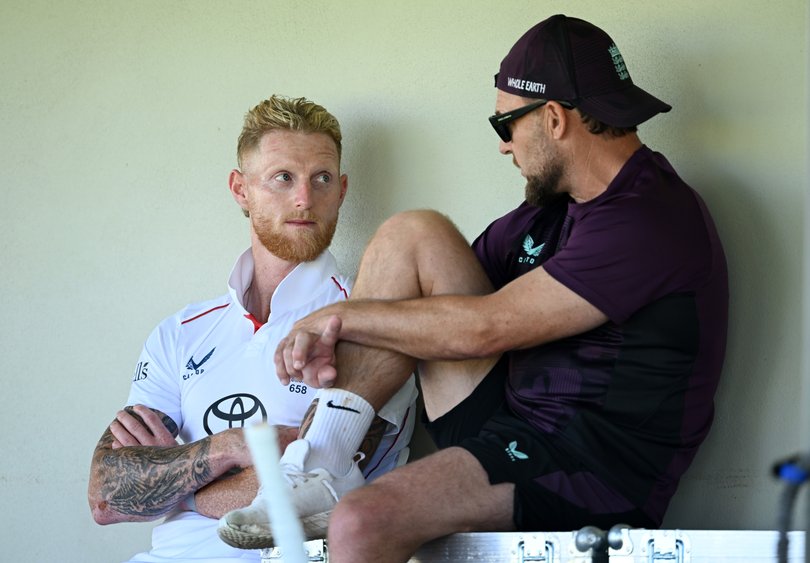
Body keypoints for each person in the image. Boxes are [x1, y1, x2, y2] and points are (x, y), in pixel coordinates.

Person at [218, 14, 730, 562]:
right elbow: (427, 300)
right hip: (512, 425)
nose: (505, 147)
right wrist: (346, 328)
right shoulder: (550, 213)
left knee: (362, 522)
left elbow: (484, 328)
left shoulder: (650, 216)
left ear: (553, 118)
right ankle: (323, 463)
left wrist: (327, 321)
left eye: (504, 124)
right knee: (412, 233)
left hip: (590, 472)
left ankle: (333, 483)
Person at [87, 95, 417, 563]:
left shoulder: (368, 317)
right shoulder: (180, 331)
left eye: (321, 179)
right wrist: (229, 448)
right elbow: (107, 494)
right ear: (240, 190)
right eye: (283, 177)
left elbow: (325, 478)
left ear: (342, 190)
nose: (304, 198)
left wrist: (174, 481)